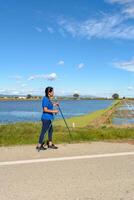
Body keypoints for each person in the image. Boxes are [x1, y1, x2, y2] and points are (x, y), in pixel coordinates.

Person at [36, 87, 59, 151]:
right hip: (46, 118)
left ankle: (50, 144)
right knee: (43, 132)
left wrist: (55, 104)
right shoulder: (45, 99)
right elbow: (45, 109)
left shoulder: (48, 99)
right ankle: (39, 145)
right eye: (52, 92)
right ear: (49, 92)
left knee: (50, 131)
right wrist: (54, 111)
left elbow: (50, 105)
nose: (53, 93)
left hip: (49, 118)